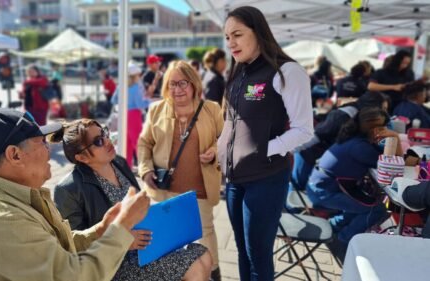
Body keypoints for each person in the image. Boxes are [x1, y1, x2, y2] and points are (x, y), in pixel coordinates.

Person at [0, 108, 151, 281]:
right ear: (14, 155)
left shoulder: (16, 197)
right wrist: (121, 230)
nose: (50, 151)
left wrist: (100, 231)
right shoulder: (1, 219)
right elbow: (72, 276)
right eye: (42, 143)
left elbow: (56, 247)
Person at [218, 6, 314, 281]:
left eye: (237, 34)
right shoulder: (239, 73)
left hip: (267, 177)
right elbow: (232, 122)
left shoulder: (287, 71)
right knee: (242, 252)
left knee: (259, 254)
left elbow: (304, 130)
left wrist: (263, 151)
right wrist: (220, 150)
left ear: (258, 32)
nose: (230, 43)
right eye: (227, 37)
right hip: (235, 180)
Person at [52, 118, 212, 281]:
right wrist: (122, 241)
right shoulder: (68, 189)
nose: (108, 141)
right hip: (114, 264)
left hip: (146, 247)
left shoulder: (118, 162)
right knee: (194, 267)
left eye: (105, 133)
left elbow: (140, 204)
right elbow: (72, 248)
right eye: (99, 141)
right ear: (82, 158)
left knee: (203, 254)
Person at [138, 60, 224, 281]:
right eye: (171, 84)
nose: (177, 89)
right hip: (164, 191)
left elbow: (225, 141)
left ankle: (213, 274)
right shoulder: (157, 109)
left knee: (205, 239)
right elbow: (144, 143)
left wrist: (214, 151)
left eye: (182, 83)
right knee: (167, 242)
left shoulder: (211, 109)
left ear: (194, 83)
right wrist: (146, 170)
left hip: (200, 191)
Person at [306, 107, 396, 260]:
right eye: (384, 127)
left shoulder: (354, 139)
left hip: (320, 186)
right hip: (325, 192)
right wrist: (395, 137)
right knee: (377, 209)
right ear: (375, 130)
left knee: (361, 204)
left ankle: (335, 227)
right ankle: (343, 240)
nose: (386, 129)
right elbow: (390, 163)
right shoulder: (360, 147)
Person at [290, 92, 390, 194]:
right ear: (372, 106)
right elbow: (316, 135)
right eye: (383, 108)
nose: (385, 113)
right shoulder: (344, 115)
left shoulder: (359, 116)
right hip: (308, 152)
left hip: (320, 157)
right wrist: (289, 150)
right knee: (297, 188)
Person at [111, 62, 150, 167]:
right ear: (135, 75)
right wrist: (150, 101)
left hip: (122, 114)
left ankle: (127, 167)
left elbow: (113, 100)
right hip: (133, 115)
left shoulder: (121, 86)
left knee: (126, 143)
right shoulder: (136, 87)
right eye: (138, 74)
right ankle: (144, 166)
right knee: (137, 142)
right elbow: (140, 104)